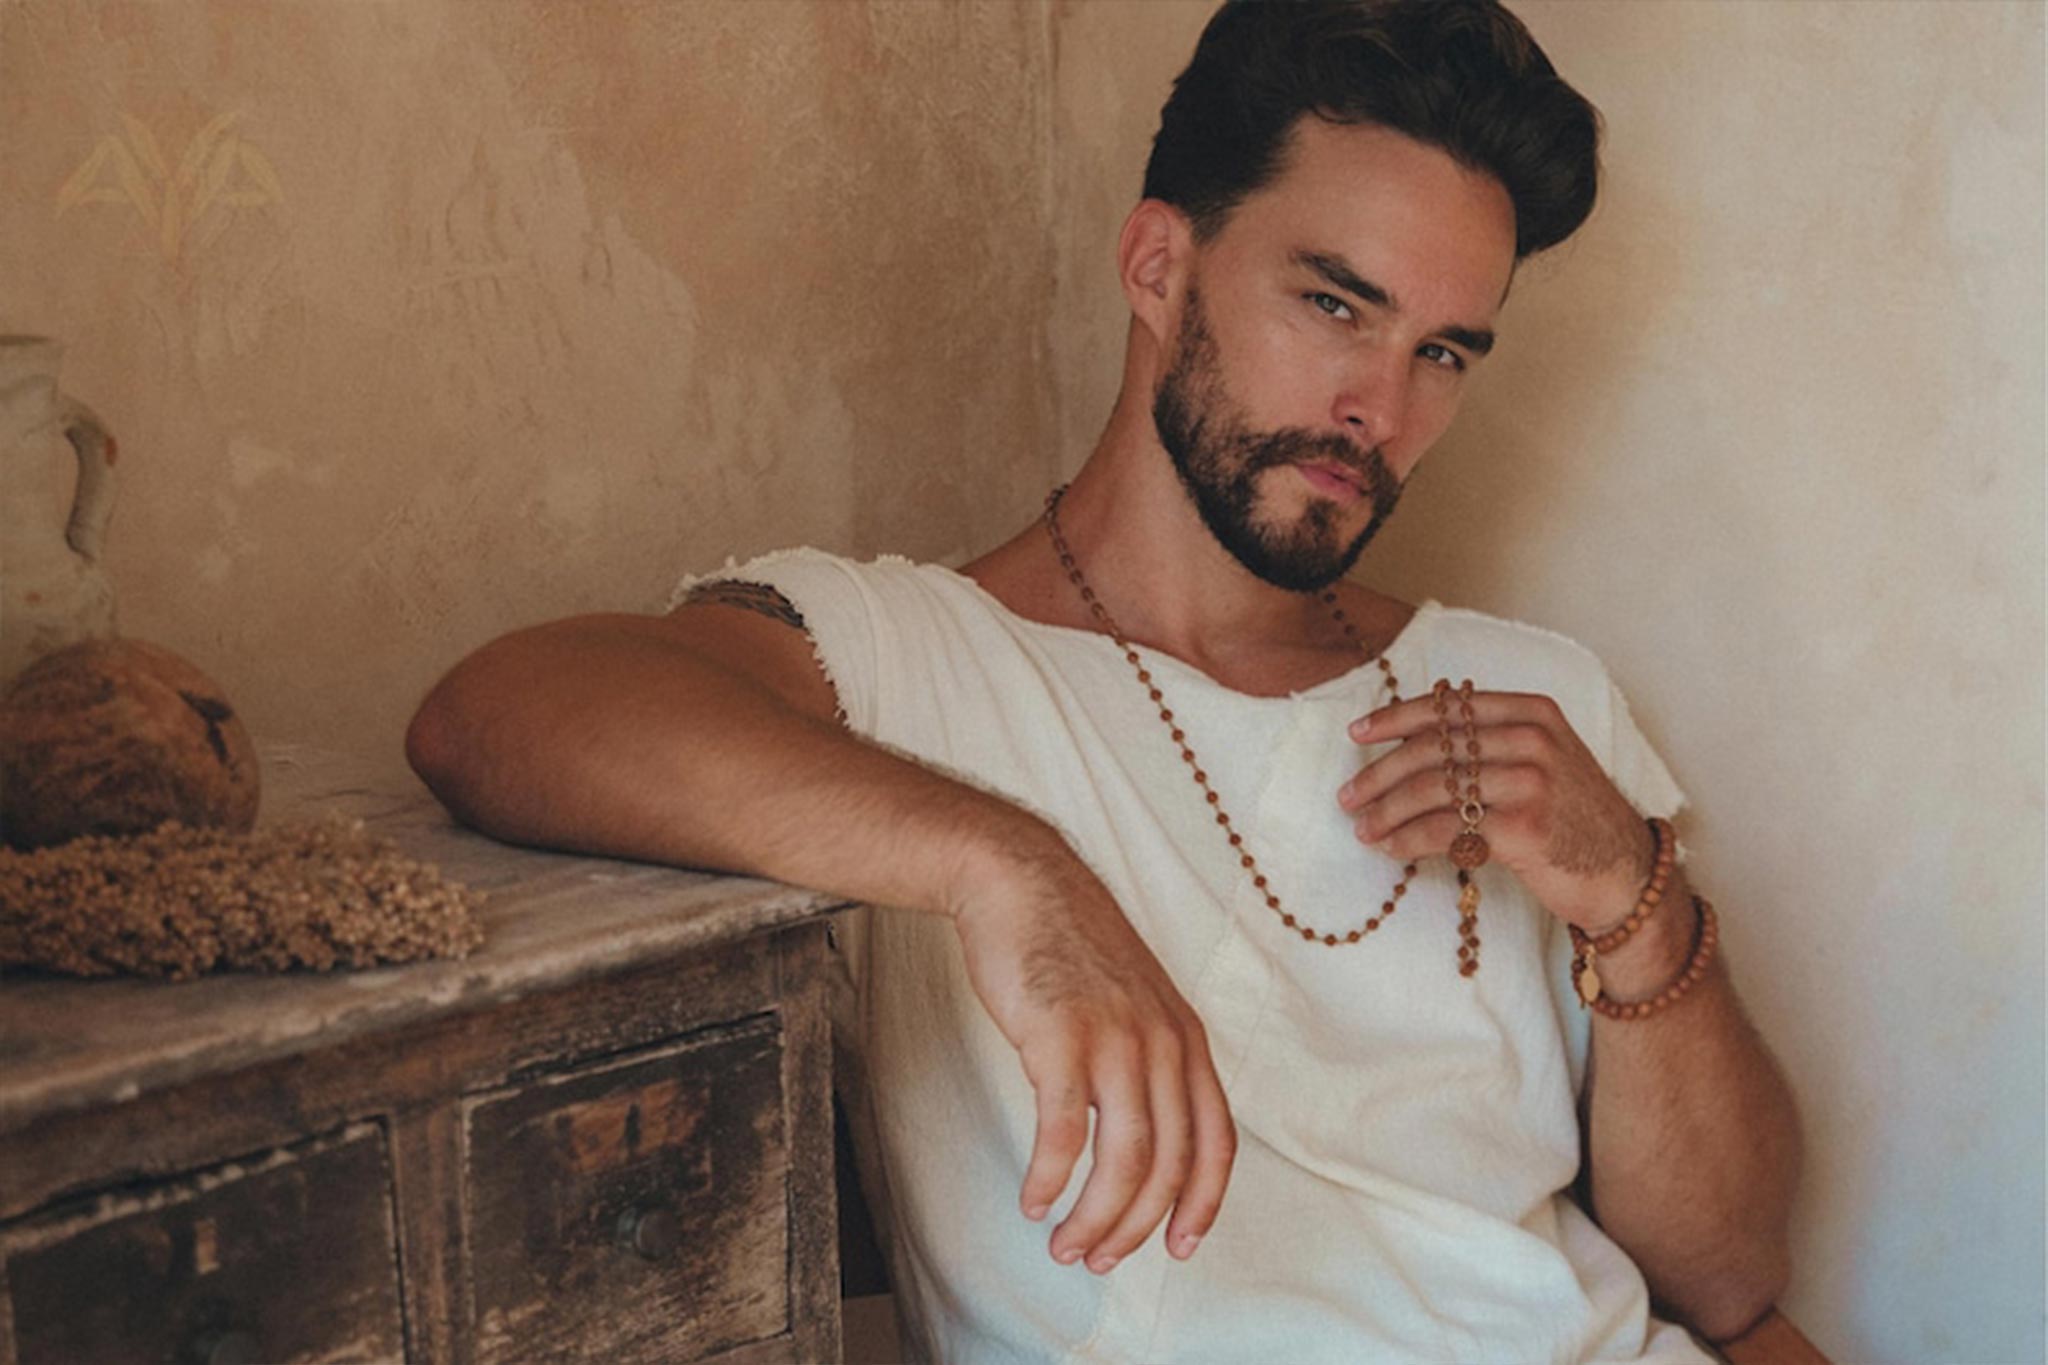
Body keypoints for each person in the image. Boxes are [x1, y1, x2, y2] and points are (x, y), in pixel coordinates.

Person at [406, 1, 1802, 1359]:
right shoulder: (912, 659)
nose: (1381, 408)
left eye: (1441, 352)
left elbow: (1729, 1281)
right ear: (1158, 268)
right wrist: (1012, 870)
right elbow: (502, 710)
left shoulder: (1526, 695)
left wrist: (1633, 891)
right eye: (1334, 303)